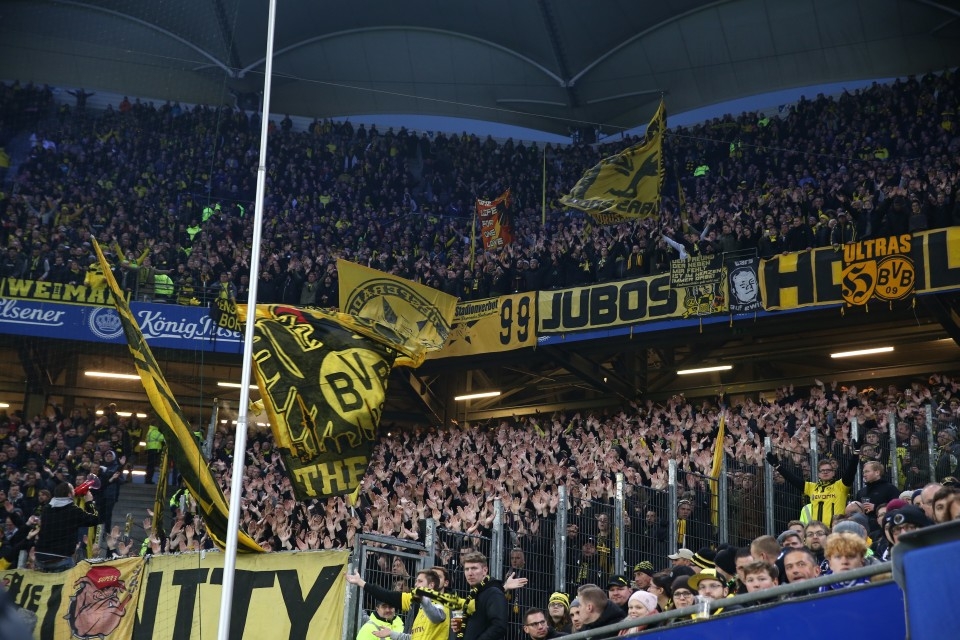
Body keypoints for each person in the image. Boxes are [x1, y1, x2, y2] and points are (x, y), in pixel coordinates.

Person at [345, 569, 447, 640]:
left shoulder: (442, 604)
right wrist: (361, 582)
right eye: (416, 581)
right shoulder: (416, 604)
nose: (416, 584)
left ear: (431, 585)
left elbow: (437, 617)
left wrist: (423, 599)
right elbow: (386, 595)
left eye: (420, 581)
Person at [766, 452, 858, 526]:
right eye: (822, 470)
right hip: (818, 533)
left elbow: (850, 472)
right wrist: (778, 466)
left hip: (835, 531)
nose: (825, 472)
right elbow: (792, 479)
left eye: (828, 470)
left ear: (834, 473)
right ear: (818, 474)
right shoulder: (812, 487)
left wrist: (855, 454)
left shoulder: (840, 486)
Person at [34, 482, 100, 572]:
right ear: (69, 494)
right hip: (60, 559)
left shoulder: (46, 508)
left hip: (40, 557)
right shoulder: (72, 510)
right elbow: (95, 519)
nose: (75, 491)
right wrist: (89, 502)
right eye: (73, 489)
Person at [459, 552, 508, 640]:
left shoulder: (493, 593)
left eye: (474, 568)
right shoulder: (474, 593)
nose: (470, 573)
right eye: (466, 569)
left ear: (485, 570)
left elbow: (499, 626)